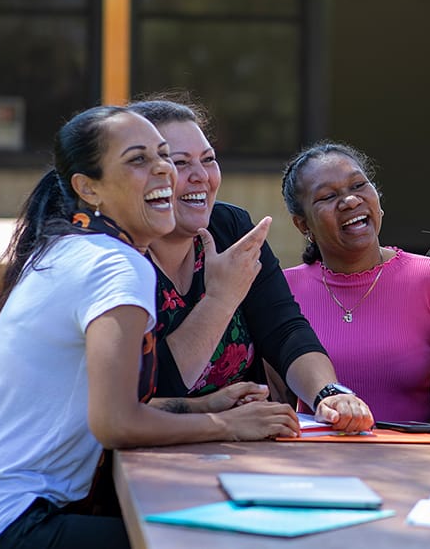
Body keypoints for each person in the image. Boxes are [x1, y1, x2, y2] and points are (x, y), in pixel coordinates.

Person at [0, 106, 300, 549]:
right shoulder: (115, 265)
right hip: (7, 527)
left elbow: (105, 410)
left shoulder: (72, 247)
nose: (164, 170)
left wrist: (205, 406)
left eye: (165, 156)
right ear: (89, 188)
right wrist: (227, 424)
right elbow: (117, 423)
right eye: (139, 160)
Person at [127, 99, 373, 432]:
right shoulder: (119, 255)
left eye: (209, 160)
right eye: (180, 163)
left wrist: (327, 394)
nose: (201, 176)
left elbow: (285, 330)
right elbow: (144, 395)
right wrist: (221, 300)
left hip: (243, 447)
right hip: (145, 456)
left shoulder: (231, 227)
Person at [280, 142, 430, 422]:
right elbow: (276, 402)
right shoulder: (283, 290)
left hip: (414, 458)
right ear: (303, 225)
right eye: (327, 196)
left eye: (358, 185)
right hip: (319, 459)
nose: (350, 201)